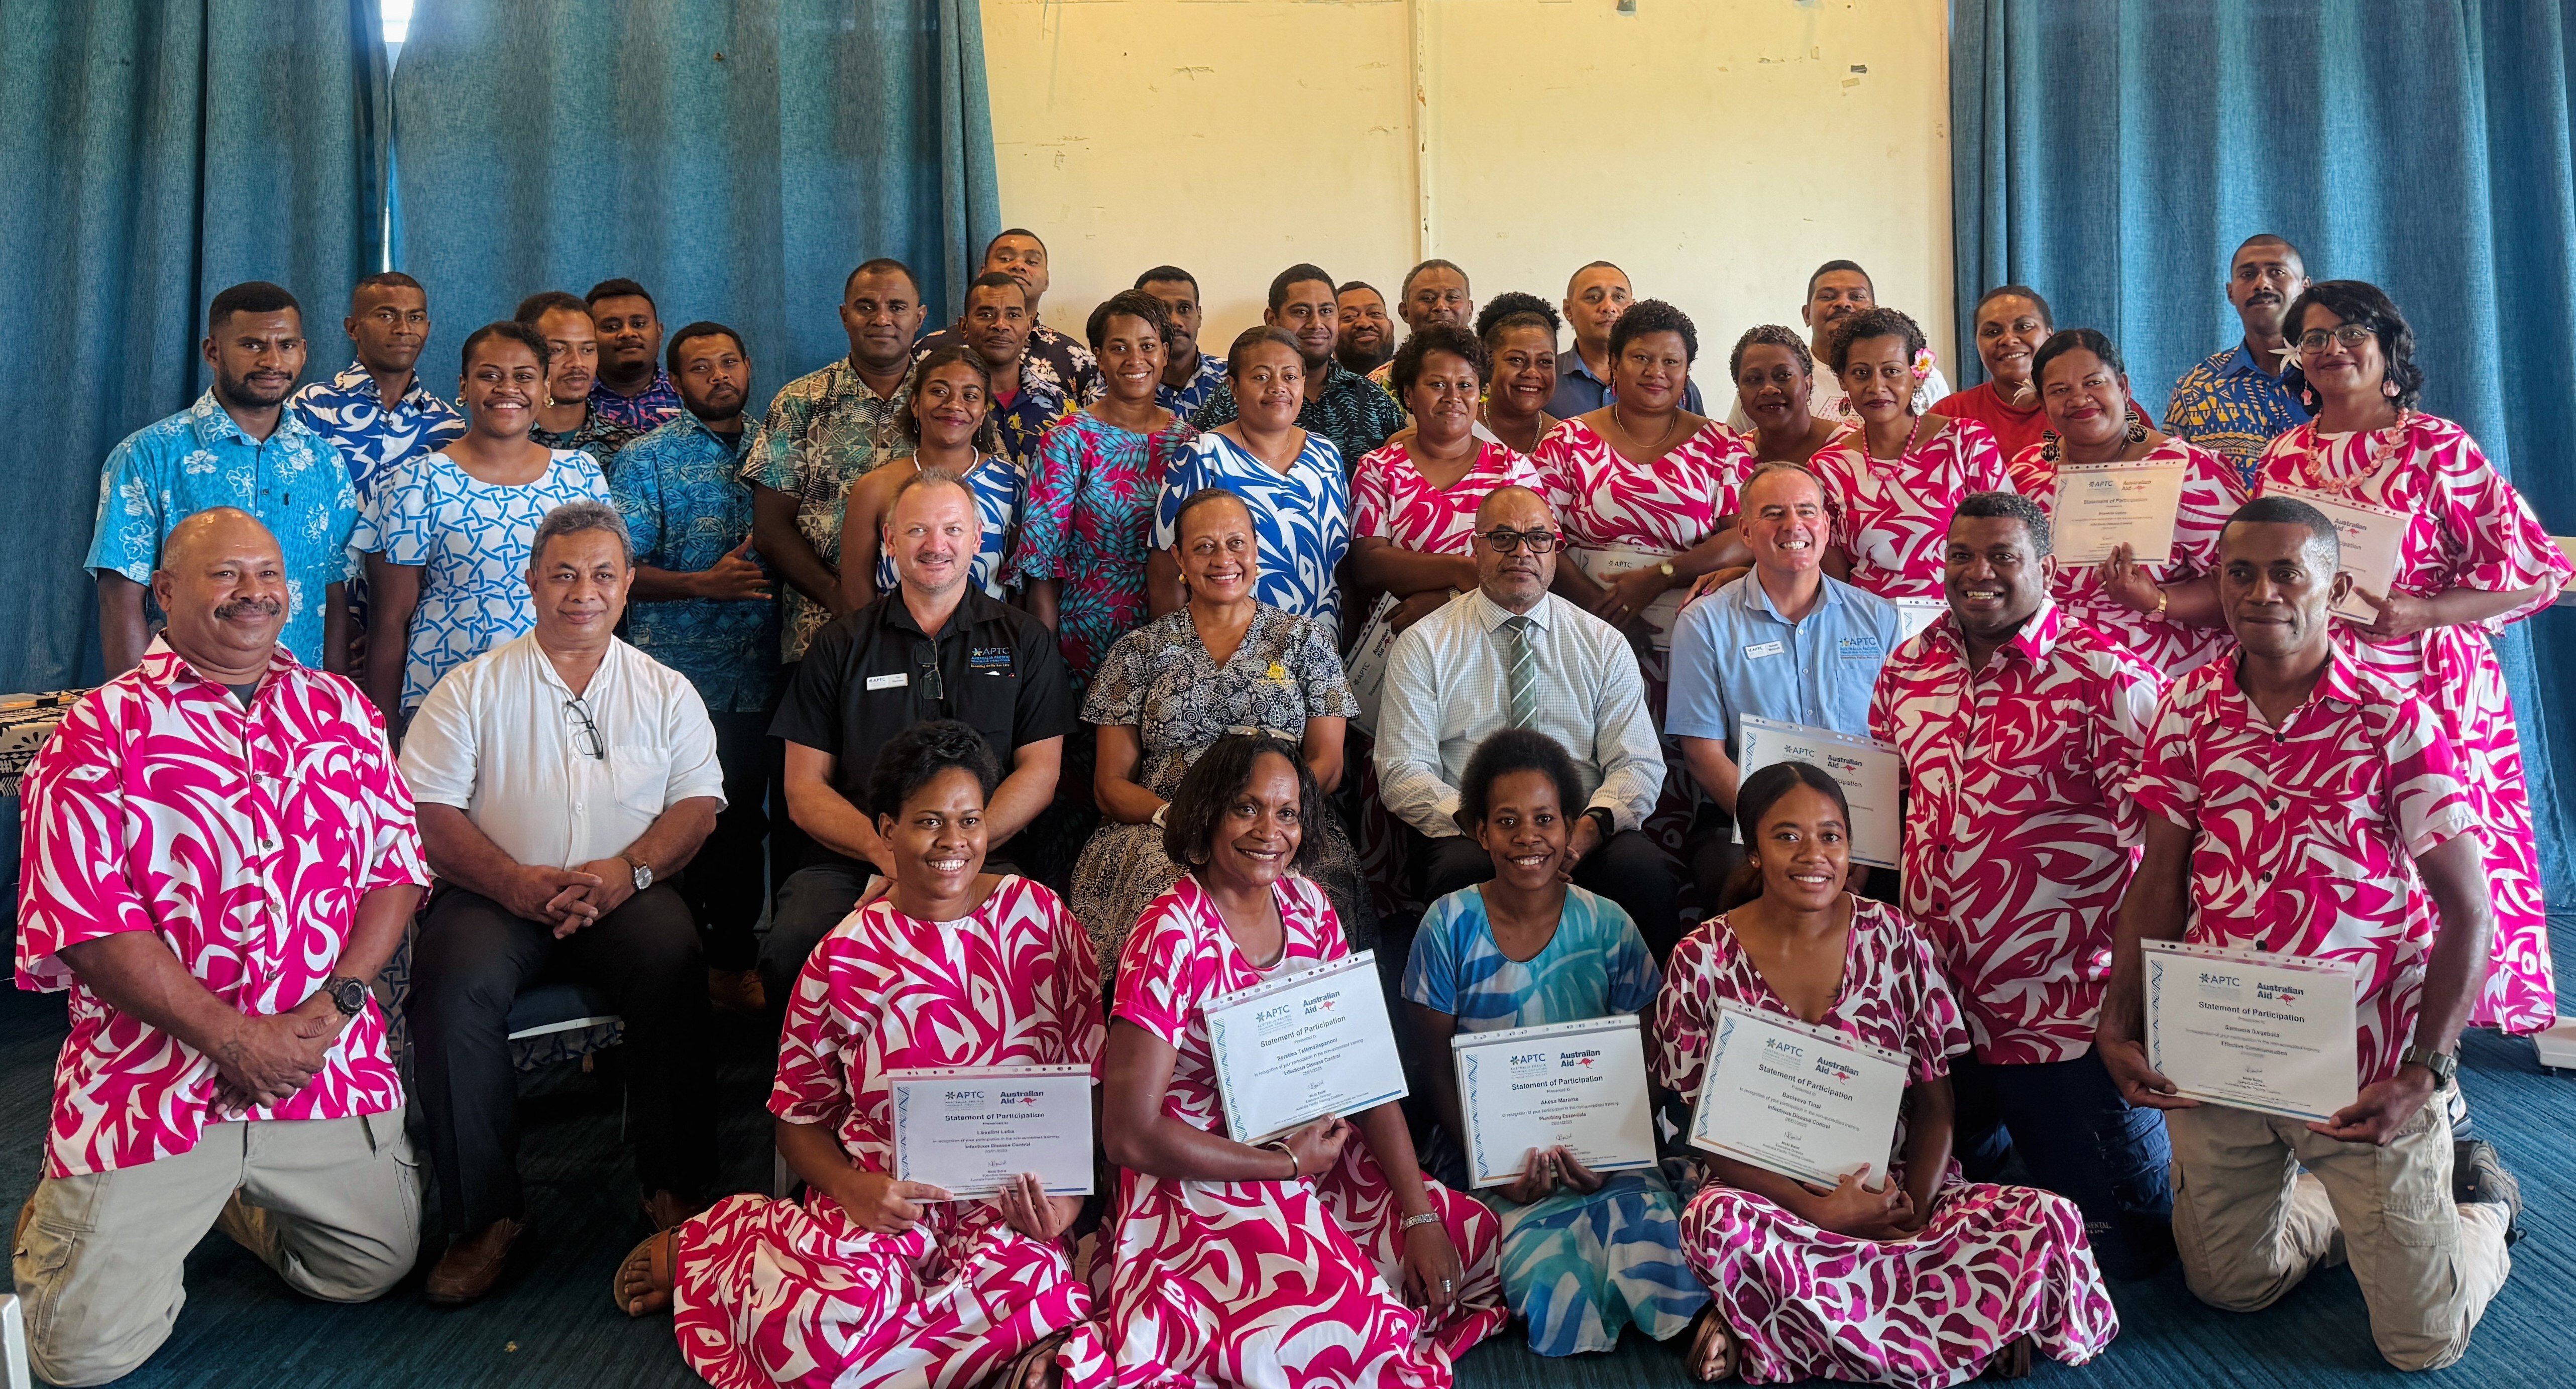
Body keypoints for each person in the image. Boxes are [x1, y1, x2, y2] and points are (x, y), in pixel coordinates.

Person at [2095, 496, 2523, 1371]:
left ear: (2331, 588)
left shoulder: (2392, 719)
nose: (2260, 592)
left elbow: (2467, 911)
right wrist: (2117, 1019)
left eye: (2287, 571)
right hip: (2219, 1046)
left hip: (2365, 1065)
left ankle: (2476, 1203)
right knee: (2228, 1284)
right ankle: (2359, 1212)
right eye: (2239, 572)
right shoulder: (2186, 710)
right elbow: (2159, 879)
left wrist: (2426, 1069)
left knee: (2421, 1343)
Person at [13, 509, 426, 1387]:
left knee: (368, 1272)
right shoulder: (97, 732)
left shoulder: (342, 710)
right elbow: (85, 926)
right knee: (75, 1359)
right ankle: (90, 1211)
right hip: (157, 1081)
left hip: (321, 1062)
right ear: (163, 594)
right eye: (226, 574)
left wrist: (337, 1003)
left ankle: (232, 1203)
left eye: (268, 574)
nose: (255, 594)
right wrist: (233, 1038)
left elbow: (396, 867)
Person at [618, 720, 1110, 1388]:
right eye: (928, 821)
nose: (953, 843)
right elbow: (797, 1121)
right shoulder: (843, 956)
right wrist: (853, 1187)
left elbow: (1089, 1080)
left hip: (1012, 1203)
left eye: (970, 820)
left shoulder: (1041, 921)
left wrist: (1069, 1204)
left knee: (1040, 1298)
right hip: (885, 1200)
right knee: (837, 1321)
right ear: (885, 831)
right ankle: (720, 1248)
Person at [1652, 762, 2118, 1384]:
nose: (1812, 854)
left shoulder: (1897, 939)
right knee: (1713, 1224)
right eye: (1787, 836)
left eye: (1831, 835)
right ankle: (1972, 1329)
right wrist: (1819, 1214)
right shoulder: (1701, 958)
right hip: (1770, 1201)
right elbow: (1702, 1131)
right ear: (1754, 851)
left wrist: (1910, 1213)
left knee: (2050, 1218)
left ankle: (1773, 1323)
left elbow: (1936, 1108)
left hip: (1893, 1186)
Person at [1096, 733, 1507, 1385]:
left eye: (1287, 812)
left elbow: (1362, 1071)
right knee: (1339, 1327)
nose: (1270, 830)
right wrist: (1281, 1164)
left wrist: (1418, 1212)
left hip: (1313, 1155)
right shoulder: (1169, 933)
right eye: (1247, 808)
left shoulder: (1310, 905)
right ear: (1206, 814)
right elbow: (1127, 1134)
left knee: (1473, 1239)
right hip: (1207, 1178)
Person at [396, 501, 723, 1303]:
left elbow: (697, 805)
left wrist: (629, 870)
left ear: (628, 587)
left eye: (603, 575)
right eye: (565, 574)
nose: (584, 591)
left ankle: (674, 1191)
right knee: (451, 984)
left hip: (626, 888)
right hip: (497, 891)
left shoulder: (667, 690)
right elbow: (426, 810)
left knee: (676, 958)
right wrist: (512, 880)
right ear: (533, 581)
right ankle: (484, 1217)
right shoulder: (469, 688)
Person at [1869, 491, 2176, 1281]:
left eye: (2003, 557)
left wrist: (2136, 1005)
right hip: (1937, 1004)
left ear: (2044, 567)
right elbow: (1890, 808)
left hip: (2062, 1009)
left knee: (2126, 1249)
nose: (1979, 574)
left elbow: (2164, 856)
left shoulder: (2106, 679)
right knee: (1913, 1210)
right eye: (1961, 557)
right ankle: (1998, 1140)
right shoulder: (1907, 667)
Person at [2254, 280, 2569, 1035]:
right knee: (2341, 860)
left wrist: (2422, 611)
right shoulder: (2284, 456)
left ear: (2386, 343)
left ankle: (2437, 1056)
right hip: (2317, 686)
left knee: (2430, 860)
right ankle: (2347, 1028)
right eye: (2313, 338)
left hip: (2429, 684)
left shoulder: (2439, 446)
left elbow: (2534, 570)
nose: (2331, 349)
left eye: (2348, 331)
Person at [1399, 729, 1705, 1357]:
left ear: (1571, 829)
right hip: (1491, 1164)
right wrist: (1494, 1168)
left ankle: (1699, 1323)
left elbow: (1646, 1058)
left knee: (1664, 1259)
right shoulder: (1448, 925)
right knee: (1549, 1285)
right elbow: (1434, 1073)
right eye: (1506, 821)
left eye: (1544, 820)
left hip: (1607, 1161)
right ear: (1479, 832)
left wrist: (1609, 1153)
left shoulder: (1608, 924)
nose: (1527, 837)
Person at [760, 470, 1074, 1010]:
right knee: (792, 946)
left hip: (983, 857)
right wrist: (889, 854)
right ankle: (815, 1096)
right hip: (854, 858)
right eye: (916, 531)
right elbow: (802, 788)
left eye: (952, 530)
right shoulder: (838, 646)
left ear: (978, 539)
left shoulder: (1025, 641)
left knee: (1035, 952)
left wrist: (958, 850)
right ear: (888, 540)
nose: (936, 546)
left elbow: (1040, 773)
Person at [1073, 488, 1366, 985]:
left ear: (1256, 548)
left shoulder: (1304, 640)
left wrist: (1270, 816)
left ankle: (1314, 1039)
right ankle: (1166, 1041)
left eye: (1235, 543)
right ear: (1179, 558)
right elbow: (1109, 784)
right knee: (1163, 890)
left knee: (1316, 885)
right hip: (1161, 826)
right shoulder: (1138, 651)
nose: (1222, 559)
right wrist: (1182, 818)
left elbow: (1328, 764)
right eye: (1204, 546)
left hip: (1282, 822)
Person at [1377, 486, 1682, 957]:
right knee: (1458, 875)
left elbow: (1638, 763)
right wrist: (1487, 827)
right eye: (1503, 538)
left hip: (1581, 824)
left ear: (1556, 551)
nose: (1522, 552)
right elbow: (1403, 770)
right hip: (1472, 831)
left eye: (1538, 539)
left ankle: (1643, 1024)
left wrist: (1581, 833)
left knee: (1642, 871)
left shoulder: (1602, 643)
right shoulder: (1424, 644)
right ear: (1476, 549)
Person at [610, 322, 781, 1014]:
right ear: (674, 383)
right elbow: (615, 571)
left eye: (729, 361)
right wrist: (699, 585)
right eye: (700, 367)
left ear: (748, 366)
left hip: (774, 673)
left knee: (751, 828)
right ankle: (672, 983)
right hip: (680, 682)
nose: (719, 376)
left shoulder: (785, 446)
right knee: (682, 829)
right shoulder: (644, 459)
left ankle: (737, 968)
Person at [88, 281, 358, 677]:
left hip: (296, 707)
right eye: (252, 345)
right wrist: (140, 715)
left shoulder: (325, 463)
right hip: (185, 703)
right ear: (212, 352)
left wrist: (332, 707)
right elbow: (120, 600)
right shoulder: (148, 456)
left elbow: (334, 597)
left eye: (285, 345)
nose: (271, 361)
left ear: (303, 351)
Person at [1665, 463, 1900, 905]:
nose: (1793, 525)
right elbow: (1702, 756)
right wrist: (1787, 834)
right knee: (1731, 877)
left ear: (1826, 527)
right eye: (1773, 513)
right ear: (1746, 532)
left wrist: (1863, 845)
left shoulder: (1881, 619)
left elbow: (1898, 746)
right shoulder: (1704, 623)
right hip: (1745, 820)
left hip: (1865, 824)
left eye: (1806, 511)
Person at [355, 320, 610, 721]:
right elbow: (390, 622)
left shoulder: (581, 475)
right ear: (463, 386)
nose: (507, 388)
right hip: (446, 697)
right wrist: (384, 741)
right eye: (489, 375)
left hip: (562, 698)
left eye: (524, 377)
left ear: (545, 388)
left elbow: (602, 598)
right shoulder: (418, 481)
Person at [2008, 328, 2243, 673]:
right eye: (2060, 391)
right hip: (2052, 680)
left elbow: (2244, 584)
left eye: (2093, 383)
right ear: (2043, 405)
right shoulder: (2025, 473)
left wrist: (2156, 600)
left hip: (2165, 682)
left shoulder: (2191, 471)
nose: (2078, 399)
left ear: (2123, 386)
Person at [1534, 299, 1753, 654]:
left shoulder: (1720, 445)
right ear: (1614, 363)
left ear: (1686, 372)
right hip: (1581, 629)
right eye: (1641, 358)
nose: (1656, 372)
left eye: (1671, 362)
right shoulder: (1567, 441)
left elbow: (1744, 536)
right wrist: (1605, 612)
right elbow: (1538, 537)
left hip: (1689, 635)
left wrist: (1658, 577)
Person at [746, 257, 927, 670]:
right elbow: (770, 529)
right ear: (845, 317)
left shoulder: (945, 401)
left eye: (897, 307)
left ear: (919, 318)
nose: (882, 319)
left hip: (929, 628)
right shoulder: (799, 401)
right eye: (866, 306)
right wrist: (842, 600)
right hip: (821, 630)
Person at [1015, 290, 1187, 691]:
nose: (1135, 360)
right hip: (1085, 640)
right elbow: (1043, 570)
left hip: (1175, 643)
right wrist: (1044, 666)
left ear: (1164, 352)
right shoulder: (1066, 442)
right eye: (1119, 348)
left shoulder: (1190, 443)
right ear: (1098, 356)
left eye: (1147, 346)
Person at [1349, 322, 1547, 641]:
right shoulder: (1378, 468)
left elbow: (1531, 562)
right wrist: (1461, 571)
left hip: (1492, 638)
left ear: (1480, 393)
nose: (1453, 397)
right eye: (1438, 384)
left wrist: (1448, 601)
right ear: (1409, 395)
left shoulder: (1513, 470)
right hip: (1397, 641)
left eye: (1466, 385)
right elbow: (1368, 565)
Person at [1806, 307, 2011, 605]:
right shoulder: (1828, 466)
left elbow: (2006, 534)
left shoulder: (1966, 442)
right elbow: (1836, 576)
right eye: (1861, 373)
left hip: (1963, 617)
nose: (1877, 386)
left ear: (1918, 374)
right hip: (1870, 624)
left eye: (1891, 371)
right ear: (1843, 380)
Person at [1152, 326, 1353, 626]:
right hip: (1229, 652)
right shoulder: (1203, 456)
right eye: (1261, 377)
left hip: (1321, 649)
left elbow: (1342, 566)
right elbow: (1165, 569)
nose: (1278, 387)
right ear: (1234, 387)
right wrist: (1180, 656)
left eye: (1290, 376)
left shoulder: (1326, 455)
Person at [838, 344, 1018, 609]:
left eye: (970, 396)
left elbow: (1023, 587)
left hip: (989, 645)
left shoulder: (1013, 484)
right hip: (893, 644)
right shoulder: (873, 489)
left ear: (983, 412)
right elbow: (856, 597)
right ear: (915, 403)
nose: (955, 405)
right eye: (939, 391)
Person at [1190, 263, 1406, 469]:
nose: (1316, 324)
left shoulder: (1372, 398)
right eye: (1301, 312)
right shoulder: (1236, 396)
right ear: (1272, 319)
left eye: (1327, 311)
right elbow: (1195, 461)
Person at [293, 270, 467, 498]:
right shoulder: (313, 408)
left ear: (428, 328)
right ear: (353, 329)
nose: (404, 329)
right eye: (386, 316)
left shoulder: (448, 425)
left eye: (416, 318)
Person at [1726, 260, 1952, 432]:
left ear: (1874, 310)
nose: (1843, 303)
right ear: (1807, 315)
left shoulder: (1919, 376)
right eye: (1827, 296)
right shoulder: (1777, 375)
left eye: (1856, 296)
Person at [2164, 234, 2314, 488]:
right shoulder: (2195, 389)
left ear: (2305, 288)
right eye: (2247, 275)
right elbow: (2170, 483)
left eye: (2277, 272)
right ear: (2230, 292)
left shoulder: (2334, 376)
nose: (2262, 284)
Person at [916, 227, 1105, 405]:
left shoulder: (1076, 359)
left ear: (1047, 280)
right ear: (983, 272)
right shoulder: (931, 350)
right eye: (1006, 258)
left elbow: (1098, 429)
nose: (1018, 266)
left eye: (1031, 262)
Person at [948, 270, 1081, 473]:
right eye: (986, 314)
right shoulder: (945, 406)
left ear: (1028, 326)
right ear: (964, 327)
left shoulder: (1062, 407)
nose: (1000, 325)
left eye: (1013, 315)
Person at [1550, 262, 1707, 417]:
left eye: (1618, 297)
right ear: (1568, 310)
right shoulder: (1546, 378)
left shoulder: (1670, 384)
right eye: (1593, 297)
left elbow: (1702, 440)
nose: (1608, 307)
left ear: (1632, 308)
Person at [517, 291, 643, 472]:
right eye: (558, 350)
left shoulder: (629, 447)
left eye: (588, 350)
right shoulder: (502, 443)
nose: (577, 363)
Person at [1930, 285, 2058, 457]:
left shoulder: (2076, 408)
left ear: (2050, 335)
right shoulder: (1948, 415)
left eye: (2023, 327)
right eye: (1993, 332)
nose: (2008, 340)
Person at [1728, 325, 1839, 468]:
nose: (1769, 389)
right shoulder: (1733, 458)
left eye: (1783, 375)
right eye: (1754, 379)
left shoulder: (1853, 450)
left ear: (1808, 384)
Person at [586, 278, 684, 432]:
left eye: (639, 324)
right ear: (588, 337)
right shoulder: (573, 396)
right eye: (612, 327)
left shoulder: (686, 394)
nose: (627, 333)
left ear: (660, 333)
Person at [1368, 258, 1477, 397]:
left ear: (1470, 309)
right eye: (1427, 298)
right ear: (1405, 311)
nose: (1441, 307)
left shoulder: (1498, 382)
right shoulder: (1375, 389)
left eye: (1453, 297)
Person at [1472, 293, 1560, 455]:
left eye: (1545, 362)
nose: (1532, 372)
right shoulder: (1460, 434)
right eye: (1517, 360)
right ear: (1487, 362)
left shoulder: (1566, 441)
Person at [1137, 264, 1230, 417]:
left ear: (1199, 315)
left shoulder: (1234, 380)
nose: (1175, 321)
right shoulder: (1119, 391)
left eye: (1184, 309)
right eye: (1161, 310)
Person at [1336, 279, 1395, 375]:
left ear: (1391, 327)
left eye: (1375, 313)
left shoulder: (1416, 380)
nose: (1364, 324)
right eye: (1349, 316)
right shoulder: (1309, 386)